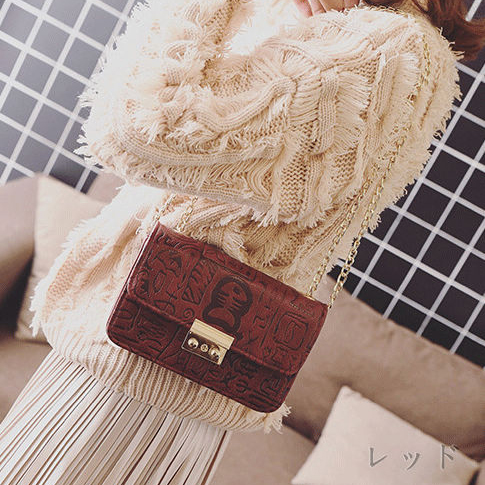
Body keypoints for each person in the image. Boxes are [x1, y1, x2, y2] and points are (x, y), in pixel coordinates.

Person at [1, 0, 483, 483]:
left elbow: (136, 128)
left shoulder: (377, 47)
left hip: (134, 371)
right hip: (164, 366)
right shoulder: (403, 44)